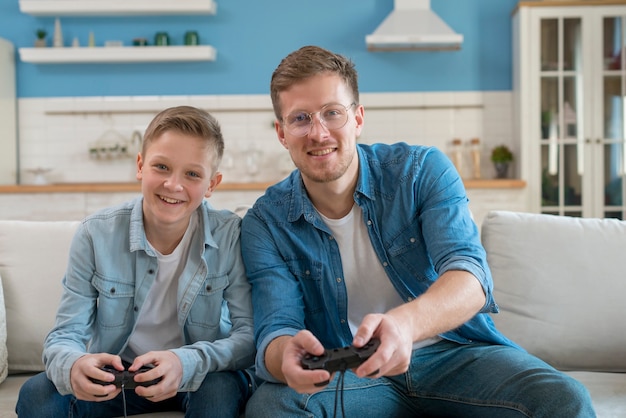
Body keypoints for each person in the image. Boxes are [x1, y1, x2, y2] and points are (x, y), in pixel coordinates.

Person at [240, 45, 596, 417]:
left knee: (563, 398)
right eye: (300, 119)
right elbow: (276, 328)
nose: (318, 133)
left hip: (453, 355)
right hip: (351, 371)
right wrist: (285, 358)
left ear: (358, 118)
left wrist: (404, 325)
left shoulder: (421, 171)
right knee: (270, 407)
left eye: (333, 113)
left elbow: (470, 276)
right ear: (281, 133)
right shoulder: (266, 221)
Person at [16, 106, 257, 418]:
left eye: (192, 174)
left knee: (218, 395)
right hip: (124, 375)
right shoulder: (94, 234)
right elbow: (65, 334)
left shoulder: (230, 235)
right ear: (141, 165)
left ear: (212, 183)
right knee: (36, 395)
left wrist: (186, 362)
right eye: (162, 167)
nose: (173, 185)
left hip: (200, 372)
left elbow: (249, 335)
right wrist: (74, 363)